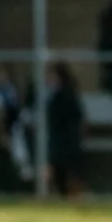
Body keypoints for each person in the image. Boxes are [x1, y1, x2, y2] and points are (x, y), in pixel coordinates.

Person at [45, 62, 87, 198]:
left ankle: (72, 194)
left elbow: (78, 119)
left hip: (67, 140)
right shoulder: (54, 96)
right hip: (58, 139)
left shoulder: (67, 95)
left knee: (69, 170)